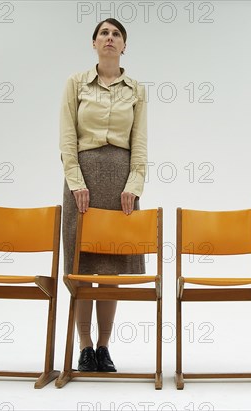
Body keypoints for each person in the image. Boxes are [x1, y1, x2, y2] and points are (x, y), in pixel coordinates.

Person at [59, 18, 147, 372]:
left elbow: (139, 143)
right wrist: (75, 181)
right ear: (94, 43)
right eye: (104, 34)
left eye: (116, 35)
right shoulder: (76, 84)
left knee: (110, 270)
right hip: (83, 180)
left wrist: (134, 185)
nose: (110, 39)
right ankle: (83, 347)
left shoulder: (136, 89)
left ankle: (104, 346)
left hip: (120, 184)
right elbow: (67, 137)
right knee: (83, 269)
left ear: (124, 46)